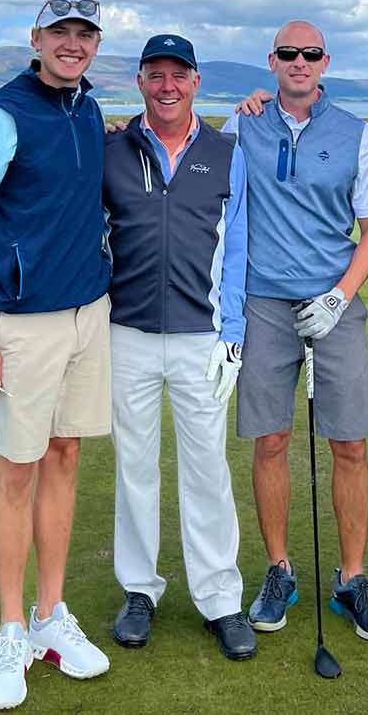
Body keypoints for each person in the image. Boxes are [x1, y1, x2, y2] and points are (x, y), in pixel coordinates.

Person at [0, 0, 113, 709]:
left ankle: (51, 615)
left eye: (84, 35)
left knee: (65, 457)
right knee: (17, 469)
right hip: (21, 323)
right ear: (36, 39)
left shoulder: (90, 109)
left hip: (88, 313)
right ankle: (12, 626)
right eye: (60, 34)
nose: (72, 46)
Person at [224, 22, 368, 642]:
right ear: (272, 61)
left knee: (349, 443)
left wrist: (339, 296)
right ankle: (279, 570)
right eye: (288, 54)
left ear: (326, 62)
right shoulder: (243, 124)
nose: (300, 62)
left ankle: (351, 580)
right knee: (269, 440)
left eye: (311, 54)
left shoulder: (358, 135)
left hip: (334, 301)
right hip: (263, 300)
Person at [102, 34, 256, 661]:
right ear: (140, 81)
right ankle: (140, 590)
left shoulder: (226, 152)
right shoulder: (111, 149)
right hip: (126, 334)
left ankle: (220, 598)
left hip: (202, 338)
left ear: (197, 83)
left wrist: (235, 336)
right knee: (134, 468)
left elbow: (239, 247)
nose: (167, 86)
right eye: (155, 74)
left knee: (206, 471)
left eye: (179, 75)